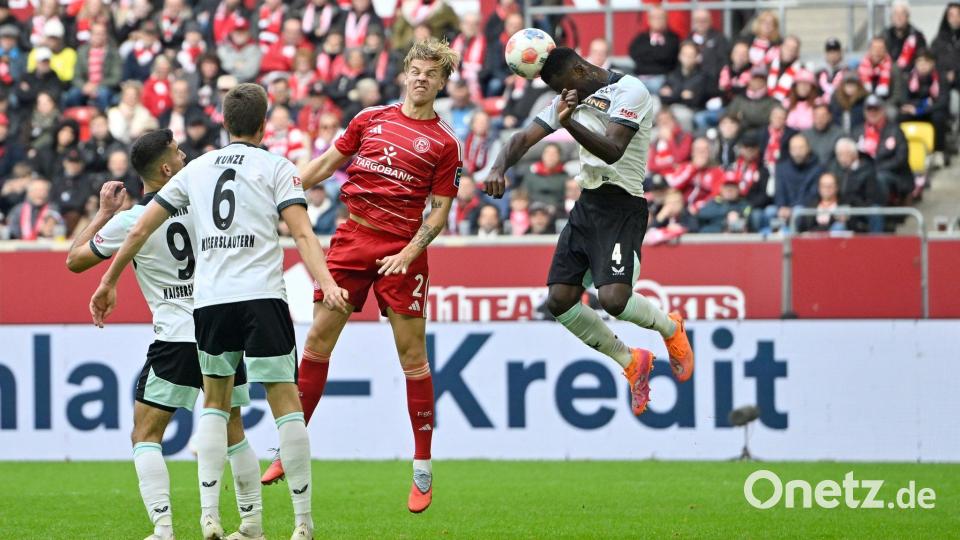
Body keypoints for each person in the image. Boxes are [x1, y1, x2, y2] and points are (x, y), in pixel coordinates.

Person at [89, 85, 345, 540]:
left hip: (212, 304)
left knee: (215, 406)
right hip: (263, 295)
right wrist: (325, 282)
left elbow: (141, 226)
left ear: (224, 123)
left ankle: (210, 518)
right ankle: (302, 525)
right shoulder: (278, 166)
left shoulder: (198, 168)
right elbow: (303, 234)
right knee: (286, 406)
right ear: (264, 124)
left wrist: (108, 281)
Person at [260, 38, 463, 515]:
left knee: (413, 355)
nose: (420, 78)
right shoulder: (370, 119)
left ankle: (422, 466)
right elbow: (328, 165)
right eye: (415, 69)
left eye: (431, 74)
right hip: (352, 239)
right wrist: (283, 192)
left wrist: (410, 251)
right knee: (317, 340)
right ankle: (288, 448)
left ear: (441, 82)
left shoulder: (445, 142)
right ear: (405, 73)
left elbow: (438, 214)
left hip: (403, 251)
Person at [483, 46, 695, 419]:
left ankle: (670, 327)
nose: (563, 97)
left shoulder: (631, 91)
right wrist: (498, 166)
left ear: (580, 71)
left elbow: (613, 149)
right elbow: (522, 138)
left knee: (614, 298)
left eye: (566, 88)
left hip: (621, 205)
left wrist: (570, 123)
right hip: (587, 205)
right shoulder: (571, 95)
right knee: (559, 301)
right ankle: (631, 361)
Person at [66, 130, 257, 540]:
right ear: (167, 169)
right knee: (233, 427)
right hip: (221, 328)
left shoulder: (132, 221)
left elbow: (74, 261)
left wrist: (102, 214)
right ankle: (251, 524)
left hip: (176, 336)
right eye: (178, 153)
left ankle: (164, 528)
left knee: (145, 433)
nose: (185, 155)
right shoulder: (208, 208)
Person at [852, 94, 912, 204]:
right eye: (869, 109)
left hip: (892, 175)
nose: (872, 112)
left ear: (883, 110)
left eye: (876, 109)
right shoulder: (857, 131)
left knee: (878, 179)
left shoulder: (895, 130)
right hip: (864, 172)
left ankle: (878, 212)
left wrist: (875, 169)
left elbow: (901, 159)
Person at [772, 133, 824, 231]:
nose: (798, 152)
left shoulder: (818, 169)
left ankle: (790, 242)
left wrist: (791, 209)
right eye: (794, 148)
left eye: (801, 148)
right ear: (790, 150)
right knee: (768, 212)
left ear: (808, 148)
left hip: (805, 209)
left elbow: (813, 195)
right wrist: (781, 207)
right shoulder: (781, 168)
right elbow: (779, 191)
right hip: (785, 208)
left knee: (798, 211)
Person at [628, 7, 680, 91]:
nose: (657, 20)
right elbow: (634, 54)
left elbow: (668, 56)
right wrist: (658, 52)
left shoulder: (673, 38)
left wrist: (648, 53)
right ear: (649, 20)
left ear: (666, 20)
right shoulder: (640, 38)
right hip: (640, 77)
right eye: (654, 17)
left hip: (662, 78)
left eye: (660, 17)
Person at [884, 1, 927, 72]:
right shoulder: (884, 36)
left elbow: (923, 61)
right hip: (888, 77)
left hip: (911, 77)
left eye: (902, 14)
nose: (899, 17)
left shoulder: (918, 37)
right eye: (896, 14)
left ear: (907, 16)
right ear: (891, 17)